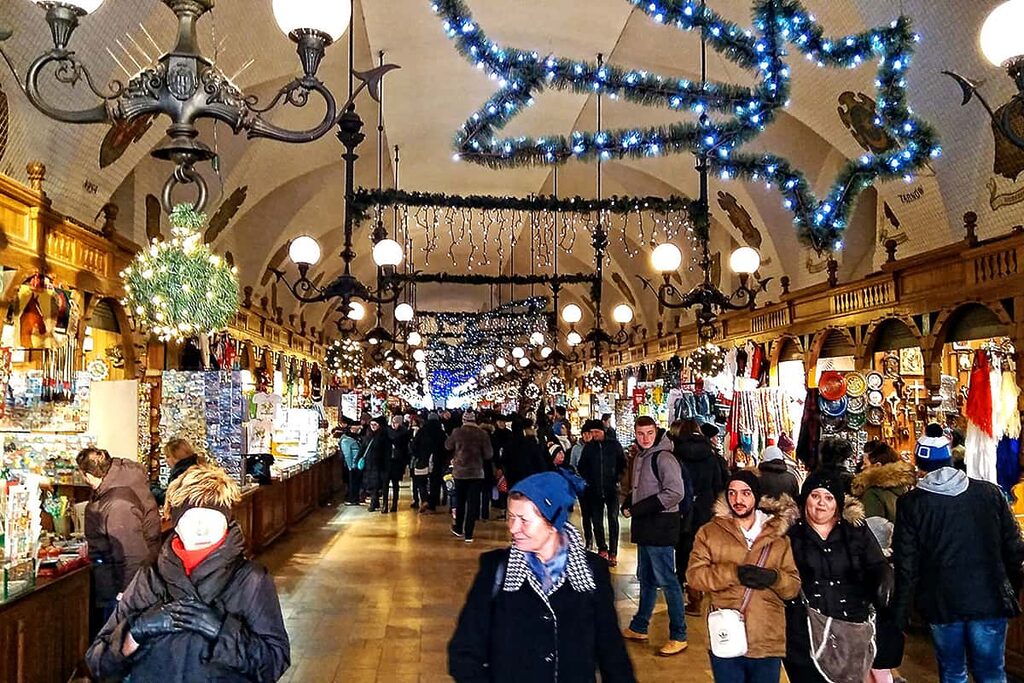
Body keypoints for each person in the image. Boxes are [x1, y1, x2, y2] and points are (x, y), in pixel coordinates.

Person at [85, 464, 290, 682]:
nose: (201, 529)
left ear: (227, 523)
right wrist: (136, 631)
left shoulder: (251, 580)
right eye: (191, 519)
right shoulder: (150, 575)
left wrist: (222, 631)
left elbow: (274, 663)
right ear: (176, 524)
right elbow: (98, 662)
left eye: (212, 519)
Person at [448, 471, 635, 682]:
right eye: (511, 517)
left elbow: (612, 652)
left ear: (553, 524)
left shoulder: (592, 572)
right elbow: (464, 651)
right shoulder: (496, 570)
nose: (513, 528)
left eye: (524, 520)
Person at [893, 423, 1024, 683]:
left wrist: (900, 613)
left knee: (953, 673)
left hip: (942, 602)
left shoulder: (911, 503)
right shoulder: (989, 493)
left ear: (919, 464)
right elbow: (1013, 546)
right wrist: (1009, 584)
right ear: (950, 458)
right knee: (992, 673)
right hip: (988, 597)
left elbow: (906, 563)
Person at [687, 471, 801, 682]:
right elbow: (695, 576)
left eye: (745, 493)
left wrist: (773, 578)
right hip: (726, 634)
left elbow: (793, 586)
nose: (738, 500)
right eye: (732, 493)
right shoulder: (709, 532)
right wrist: (733, 573)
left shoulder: (778, 537)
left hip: (767, 637)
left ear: (756, 497)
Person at [783, 472, 891, 683]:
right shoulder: (790, 533)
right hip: (804, 631)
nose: (821, 503)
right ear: (806, 498)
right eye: (815, 495)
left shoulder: (855, 530)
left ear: (838, 503)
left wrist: (884, 578)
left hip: (851, 627)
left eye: (829, 497)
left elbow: (877, 563)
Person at [620, 416, 688, 656]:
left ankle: (679, 634)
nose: (645, 438)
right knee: (647, 578)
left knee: (668, 581)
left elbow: (675, 493)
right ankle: (639, 626)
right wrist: (629, 502)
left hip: (660, 527)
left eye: (649, 433)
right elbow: (639, 489)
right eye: (640, 434)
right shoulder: (640, 456)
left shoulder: (664, 457)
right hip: (646, 527)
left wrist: (638, 508)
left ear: (656, 431)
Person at [77, 447, 162, 634]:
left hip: (120, 584)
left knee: (117, 641)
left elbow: (131, 552)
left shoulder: (117, 504)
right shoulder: (119, 483)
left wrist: (126, 593)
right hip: (127, 578)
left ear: (88, 475)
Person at [670, 418, 729, 613]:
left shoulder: (676, 455)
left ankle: (679, 593)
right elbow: (719, 486)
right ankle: (696, 595)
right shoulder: (711, 456)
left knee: (682, 551)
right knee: (701, 552)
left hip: (683, 509)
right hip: (705, 509)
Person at [578, 419, 626, 566]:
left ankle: (613, 552)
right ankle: (602, 548)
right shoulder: (589, 448)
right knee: (597, 521)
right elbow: (581, 466)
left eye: (596, 432)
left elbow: (622, 463)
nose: (594, 435)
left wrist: (617, 477)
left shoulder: (614, 445)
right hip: (594, 490)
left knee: (613, 520)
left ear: (603, 431)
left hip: (611, 489)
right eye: (592, 432)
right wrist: (589, 480)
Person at [445, 410, 494, 543]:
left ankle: (458, 528)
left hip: (460, 472)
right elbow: (489, 454)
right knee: (473, 504)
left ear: (463, 420)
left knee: (460, 502)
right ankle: (469, 534)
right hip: (476, 473)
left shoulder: (457, 432)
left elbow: (447, 445)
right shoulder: (482, 434)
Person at [851, 444, 916, 523]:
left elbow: (873, 529)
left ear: (877, 466)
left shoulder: (873, 493)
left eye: (865, 464)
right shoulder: (904, 487)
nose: (862, 467)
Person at [151, 438, 202, 506]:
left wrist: (152, 490)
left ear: (176, 457)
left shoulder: (181, 474)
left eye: (168, 456)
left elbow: (171, 499)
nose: (166, 460)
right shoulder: (198, 468)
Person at [420, 412, 450, 513]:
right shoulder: (441, 432)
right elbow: (446, 447)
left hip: (424, 459)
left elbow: (415, 444)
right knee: (435, 482)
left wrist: (418, 455)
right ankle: (433, 502)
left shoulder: (422, 431)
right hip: (438, 460)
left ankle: (425, 500)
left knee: (422, 481)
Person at [384, 415, 411, 513]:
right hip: (388, 461)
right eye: (393, 422)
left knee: (395, 484)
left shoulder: (404, 433)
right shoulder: (387, 431)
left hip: (398, 462)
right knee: (385, 484)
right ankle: (385, 505)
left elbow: (404, 447)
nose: (394, 424)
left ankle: (394, 504)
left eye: (396, 423)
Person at [362, 417, 389, 512]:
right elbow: (363, 448)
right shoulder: (368, 435)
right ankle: (374, 502)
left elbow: (387, 451)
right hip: (370, 465)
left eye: (375, 425)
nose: (373, 427)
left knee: (380, 485)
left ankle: (381, 504)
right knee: (373, 485)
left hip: (381, 465)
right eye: (371, 425)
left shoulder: (384, 436)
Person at [341, 421, 364, 506]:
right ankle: (352, 498)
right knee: (352, 483)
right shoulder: (346, 440)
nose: (358, 430)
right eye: (357, 428)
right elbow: (347, 455)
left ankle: (355, 498)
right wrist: (350, 467)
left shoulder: (356, 438)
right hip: (352, 466)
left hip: (357, 465)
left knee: (356, 483)